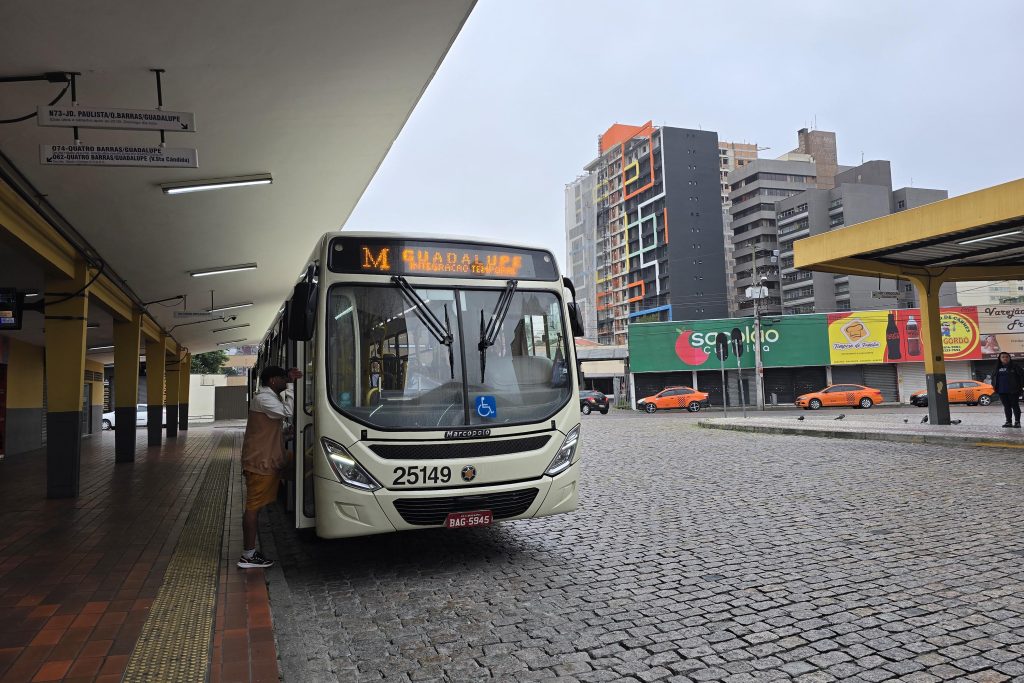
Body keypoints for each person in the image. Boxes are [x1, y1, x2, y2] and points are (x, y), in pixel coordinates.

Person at [238, 364, 302, 568]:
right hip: (261, 462)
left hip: (274, 457)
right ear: (273, 381)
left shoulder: (269, 398)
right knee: (253, 507)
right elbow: (288, 411)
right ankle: (248, 555)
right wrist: (292, 385)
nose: (285, 381)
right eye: (283, 378)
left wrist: (287, 434)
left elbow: (268, 431)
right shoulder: (264, 398)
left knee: (307, 465)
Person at [992, 352, 1023, 429]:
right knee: (1006, 407)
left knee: (1015, 406)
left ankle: (1017, 422)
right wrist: (995, 386)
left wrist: (1020, 387)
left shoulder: (1015, 366)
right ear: (1000, 358)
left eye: (1007, 357)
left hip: (1013, 390)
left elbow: (1022, 376)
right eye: (1003, 357)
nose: (1005, 358)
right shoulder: (997, 367)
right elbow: (994, 378)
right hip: (1002, 391)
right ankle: (1008, 422)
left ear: (1009, 358)